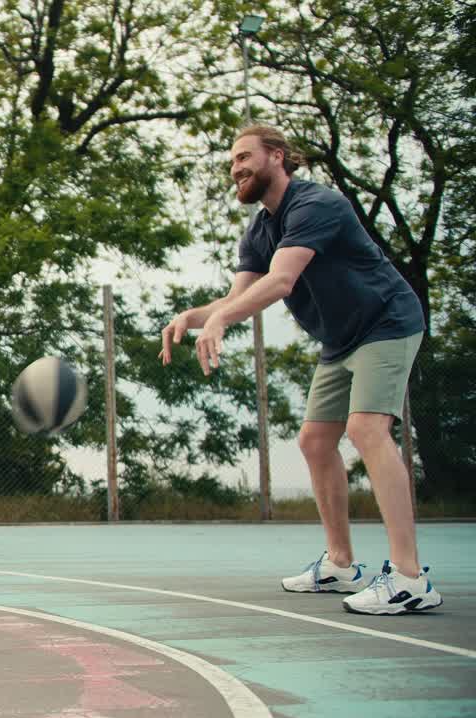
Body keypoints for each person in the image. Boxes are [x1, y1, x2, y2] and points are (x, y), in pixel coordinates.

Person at [159, 125, 441, 616]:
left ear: (277, 157)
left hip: (386, 321)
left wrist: (225, 319)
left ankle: (410, 578)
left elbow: (282, 280)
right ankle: (341, 564)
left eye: (245, 157)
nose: (236, 168)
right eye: (232, 163)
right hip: (341, 338)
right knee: (314, 440)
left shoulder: (315, 205)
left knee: (366, 428)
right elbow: (237, 296)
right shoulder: (260, 230)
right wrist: (195, 315)